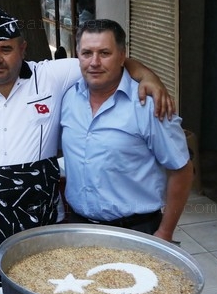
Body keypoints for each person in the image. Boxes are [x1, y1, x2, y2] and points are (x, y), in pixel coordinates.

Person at [0, 8, 175, 294]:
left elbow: (106, 59)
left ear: (23, 48)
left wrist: (148, 77)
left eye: (6, 49)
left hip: (36, 220)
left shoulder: (52, 75)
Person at [61, 19, 193, 240]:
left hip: (135, 230)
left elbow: (182, 169)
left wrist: (165, 232)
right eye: (86, 53)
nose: (94, 62)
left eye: (104, 53)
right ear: (77, 55)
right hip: (78, 228)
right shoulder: (68, 97)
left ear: (122, 56)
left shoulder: (149, 105)